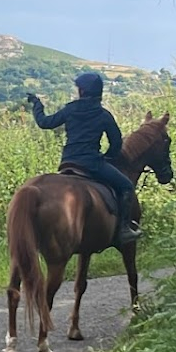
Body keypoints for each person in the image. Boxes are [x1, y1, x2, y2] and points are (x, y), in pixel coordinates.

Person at [26, 72, 141, 245]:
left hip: (68, 161)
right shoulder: (103, 115)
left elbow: (45, 122)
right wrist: (107, 157)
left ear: (82, 91)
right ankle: (123, 229)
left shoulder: (70, 109)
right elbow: (116, 142)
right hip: (93, 164)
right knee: (126, 185)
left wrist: (37, 104)